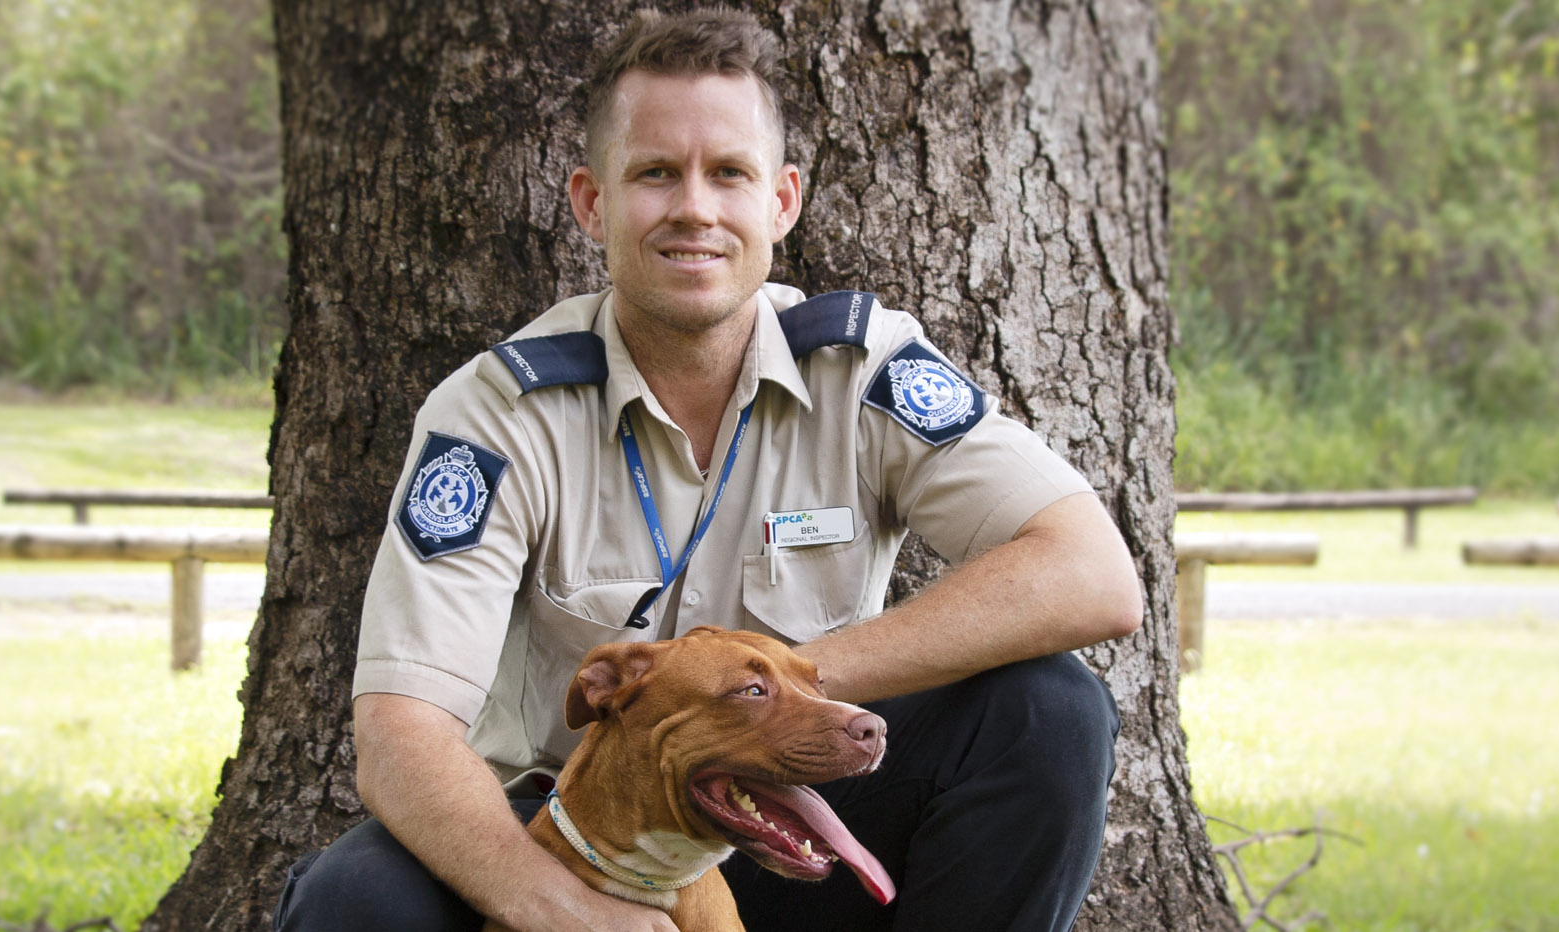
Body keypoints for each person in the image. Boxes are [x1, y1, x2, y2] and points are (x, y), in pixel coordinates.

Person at [265, 8, 1145, 932]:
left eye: (729, 172)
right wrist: (565, 911)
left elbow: (1091, 573)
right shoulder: (497, 415)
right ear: (592, 203)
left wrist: (771, 690)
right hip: (572, 829)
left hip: (797, 815)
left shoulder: (862, 371)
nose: (695, 207)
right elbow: (401, 733)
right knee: (355, 901)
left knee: (1049, 712)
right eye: (655, 173)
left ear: (782, 201)